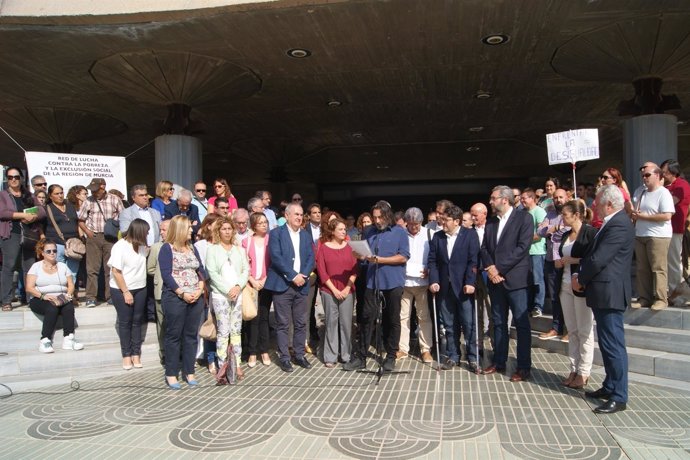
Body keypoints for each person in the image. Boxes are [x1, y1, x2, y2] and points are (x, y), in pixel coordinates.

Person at [575, 185, 634, 414]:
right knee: (608, 344)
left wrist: (581, 278)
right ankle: (610, 386)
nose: (595, 207)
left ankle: (619, 396)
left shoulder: (619, 224)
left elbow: (600, 259)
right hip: (603, 292)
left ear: (609, 204)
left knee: (613, 345)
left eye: (597, 203)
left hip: (610, 292)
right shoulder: (611, 223)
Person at [344, 200, 409, 372]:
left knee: (391, 319)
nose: (377, 221)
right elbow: (366, 253)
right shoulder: (369, 231)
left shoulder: (399, 232)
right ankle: (362, 356)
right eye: (375, 217)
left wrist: (381, 260)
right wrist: (359, 254)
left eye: (380, 217)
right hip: (373, 281)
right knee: (366, 317)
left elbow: (403, 257)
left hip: (393, 282)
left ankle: (390, 356)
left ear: (388, 215)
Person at [480, 185, 533, 382]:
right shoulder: (492, 221)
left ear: (504, 199)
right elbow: (484, 248)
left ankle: (523, 367)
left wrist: (498, 268)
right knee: (499, 322)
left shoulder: (524, 218)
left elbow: (522, 248)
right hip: (495, 281)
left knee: (521, 324)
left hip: (515, 280)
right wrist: (490, 268)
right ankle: (499, 361)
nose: (490, 201)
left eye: (493, 198)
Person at [428, 205, 481, 373]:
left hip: (464, 287)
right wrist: (434, 280)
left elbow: (474, 261)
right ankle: (453, 355)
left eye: (446, 220)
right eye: (442, 219)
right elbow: (433, 261)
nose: (442, 222)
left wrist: (471, 282)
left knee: (468, 323)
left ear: (457, 221)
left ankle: (472, 357)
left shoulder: (469, 235)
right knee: (450, 325)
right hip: (444, 287)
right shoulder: (438, 237)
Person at [265, 203, 315, 373]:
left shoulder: (306, 235)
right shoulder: (276, 234)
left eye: (301, 214)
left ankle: (299, 354)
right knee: (283, 323)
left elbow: (311, 257)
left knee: (301, 323)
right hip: (283, 285)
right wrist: (293, 275)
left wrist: (304, 275)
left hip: (302, 285)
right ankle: (284, 357)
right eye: (296, 214)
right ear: (286, 216)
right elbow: (276, 257)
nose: (299, 217)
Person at [159, 215, 206, 389]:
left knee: (191, 336)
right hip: (175, 298)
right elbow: (166, 274)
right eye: (188, 228)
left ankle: (189, 371)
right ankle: (171, 373)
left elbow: (200, 270)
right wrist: (181, 293)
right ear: (179, 230)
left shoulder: (193, 248)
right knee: (174, 336)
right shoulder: (167, 249)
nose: (192, 230)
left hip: (195, 297)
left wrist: (200, 289)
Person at [555, 200, 597, 389]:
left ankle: (584, 371)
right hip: (564, 285)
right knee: (571, 330)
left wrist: (573, 259)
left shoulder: (589, 233)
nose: (562, 218)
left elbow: (593, 258)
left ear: (577, 215)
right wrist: (560, 262)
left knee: (584, 330)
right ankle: (573, 368)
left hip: (581, 286)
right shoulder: (565, 235)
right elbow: (560, 257)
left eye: (565, 214)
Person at [205, 216, 249, 380]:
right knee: (223, 331)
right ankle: (223, 364)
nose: (227, 231)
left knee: (236, 330)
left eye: (230, 228)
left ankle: (237, 363)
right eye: (224, 229)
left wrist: (238, 287)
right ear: (218, 231)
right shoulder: (213, 249)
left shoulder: (239, 250)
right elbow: (212, 273)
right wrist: (227, 289)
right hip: (220, 295)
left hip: (237, 294)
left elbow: (245, 270)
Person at [26, 239, 83, 352]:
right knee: (51, 308)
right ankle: (45, 340)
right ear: (42, 253)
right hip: (40, 298)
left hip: (61, 297)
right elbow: (29, 288)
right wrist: (44, 296)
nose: (52, 253)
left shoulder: (62, 266)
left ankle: (68, 338)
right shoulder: (36, 267)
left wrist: (67, 295)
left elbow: (71, 285)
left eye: (54, 251)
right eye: (48, 251)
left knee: (69, 307)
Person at [1, 166, 45, 312]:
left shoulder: (29, 195)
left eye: (16, 177)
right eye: (10, 177)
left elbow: (42, 210)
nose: (13, 180)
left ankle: (30, 298)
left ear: (21, 178)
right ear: (7, 179)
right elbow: (2, 212)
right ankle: (6, 300)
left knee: (29, 267)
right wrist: (23, 215)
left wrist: (33, 216)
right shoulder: (3, 195)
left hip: (29, 234)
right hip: (11, 234)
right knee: (9, 266)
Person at [631, 162, 674, 310]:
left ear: (657, 175)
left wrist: (644, 217)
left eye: (648, 175)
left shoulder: (663, 193)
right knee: (642, 268)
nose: (644, 178)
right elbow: (634, 211)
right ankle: (644, 297)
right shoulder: (639, 191)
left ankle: (661, 298)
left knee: (658, 268)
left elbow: (667, 215)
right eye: (643, 175)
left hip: (658, 236)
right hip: (640, 233)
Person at [108, 218, 150, 370]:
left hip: (140, 287)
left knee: (137, 321)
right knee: (125, 322)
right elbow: (116, 271)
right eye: (146, 232)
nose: (148, 235)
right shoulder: (120, 247)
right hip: (122, 288)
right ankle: (126, 354)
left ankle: (136, 353)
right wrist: (126, 292)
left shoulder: (141, 246)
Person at [316, 217, 357, 368]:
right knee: (331, 323)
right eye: (340, 229)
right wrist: (334, 290)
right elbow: (322, 271)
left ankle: (346, 354)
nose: (343, 232)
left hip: (347, 290)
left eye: (344, 229)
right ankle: (330, 356)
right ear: (332, 231)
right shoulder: (324, 248)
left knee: (346, 324)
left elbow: (355, 270)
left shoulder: (350, 247)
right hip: (329, 291)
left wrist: (346, 288)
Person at [78, 177, 124, 308]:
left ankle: (110, 296)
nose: (92, 193)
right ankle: (91, 297)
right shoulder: (88, 201)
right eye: (91, 190)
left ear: (103, 187)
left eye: (95, 190)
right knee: (92, 269)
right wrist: (87, 232)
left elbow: (124, 217)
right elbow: (80, 219)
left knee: (110, 268)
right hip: (94, 236)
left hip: (111, 237)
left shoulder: (115, 199)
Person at [399, 207, 433, 363]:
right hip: (404, 282)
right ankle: (402, 348)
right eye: (411, 224)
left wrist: (430, 269)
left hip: (422, 282)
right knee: (402, 316)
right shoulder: (400, 234)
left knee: (424, 316)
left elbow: (434, 256)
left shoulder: (428, 234)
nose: (414, 227)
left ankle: (426, 349)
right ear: (406, 223)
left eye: (417, 224)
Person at [537, 188, 570, 340]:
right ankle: (556, 327)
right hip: (551, 259)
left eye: (561, 197)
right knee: (555, 296)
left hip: (566, 260)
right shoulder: (549, 214)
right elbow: (540, 231)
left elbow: (569, 230)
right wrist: (556, 228)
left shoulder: (571, 213)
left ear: (567, 197)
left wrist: (553, 229)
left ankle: (569, 329)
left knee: (568, 296)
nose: (558, 200)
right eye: (555, 198)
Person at [242, 212, 273, 367]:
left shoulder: (271, 240)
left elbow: (273, 263)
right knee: (253, 319)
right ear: (253, 225)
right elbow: (243, 264)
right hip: (250, 284)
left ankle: (264, 350)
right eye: (260, 223)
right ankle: (252, 351)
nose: (264, 225)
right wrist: (252, 280)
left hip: (266, 284)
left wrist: (264, 280)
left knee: (265, 317)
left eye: (265, 222)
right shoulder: (246, 242)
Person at [193, 214, 220, 373]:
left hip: (223, 290)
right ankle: (210, 358)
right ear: (208, 226)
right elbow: (200, 268)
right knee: (210, 324)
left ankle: (222, 356)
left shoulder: (223, 244)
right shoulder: (200, 245)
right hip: (207, 289)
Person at [660, 159, 690, 299]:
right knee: (662, 262)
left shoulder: (682, 185)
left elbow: (668, 204)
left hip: (674, 229)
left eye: (664, 172)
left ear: (673, 172)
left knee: (673, 261)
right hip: (660, 230)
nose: (662, 175)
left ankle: (675, 292)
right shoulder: (664, 187)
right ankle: (664, 291)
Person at [44, 184, 80, 282]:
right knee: (59, 270)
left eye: (61, 193)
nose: (60, 195)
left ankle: (70, 292)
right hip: (57, 243)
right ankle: (61, 293)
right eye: (57, 193)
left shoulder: (70, 206)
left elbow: (77, 222)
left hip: (74, 244)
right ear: (50, 196)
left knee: (73, 272)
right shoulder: (47, 208)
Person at [520, 188, 547, 318]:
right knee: (528, 281)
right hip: (525, 253)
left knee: (538, 280)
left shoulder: (539, 212)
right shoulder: (522, 213)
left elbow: (541, 233)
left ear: (532, 198)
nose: (522, 200)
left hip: (537, 252)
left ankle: (538, 306)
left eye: (524, 198)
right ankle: (529, 305)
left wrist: (524, 241)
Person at [147, 218, 170, 366]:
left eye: (164, 230)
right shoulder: (156, 247)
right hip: (161, 291)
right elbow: (150, 269)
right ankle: (164, 353)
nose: (161, 233)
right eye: (160, 229)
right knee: (162, 325)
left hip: (179, 294)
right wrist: (161, 276)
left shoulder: (185, 246)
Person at [470, 202, 492, 349]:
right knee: (476, 312)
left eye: (475, 215)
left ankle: (496, 343)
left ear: (484, 214)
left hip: (489, 274)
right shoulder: (468, 232)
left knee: (492, 310)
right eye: (471, 214)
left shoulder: (492, 229)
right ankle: (478, 345)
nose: (472, 217)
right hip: (474, 275)